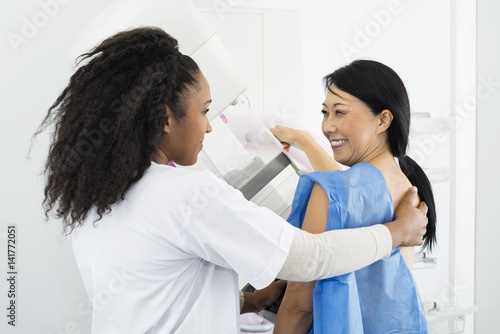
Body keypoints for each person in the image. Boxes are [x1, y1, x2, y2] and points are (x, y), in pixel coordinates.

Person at [36, 28, 428, 333]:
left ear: (384, 119)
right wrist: (398, 231)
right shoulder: (185, 194)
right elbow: (309, 259)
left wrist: (251, 301)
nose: (209, 126)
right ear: (165, 118)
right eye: (204, 111)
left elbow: (155, 294)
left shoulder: (94, 199)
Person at [271, 60, 435, 334]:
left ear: (383, 119)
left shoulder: (329, 190)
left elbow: (300, 308)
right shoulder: (410, 191)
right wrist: (306, 140)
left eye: (340, 112)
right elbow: (350, 191)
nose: (328, 126)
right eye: (325, 113)